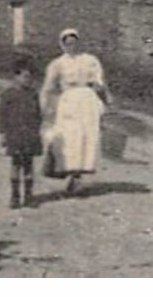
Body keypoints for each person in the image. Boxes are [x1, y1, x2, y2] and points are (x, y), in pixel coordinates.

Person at [40, 28, 107, 197]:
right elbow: (48, 87)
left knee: (86, 138)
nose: (71, 46)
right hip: (68, 102)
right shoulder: (57, 64)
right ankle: (70, 174)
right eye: (67, 43)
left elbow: (100, 81)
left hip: (88, 102)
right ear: (62, 44)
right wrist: (45, 107)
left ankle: (78, 178)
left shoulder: (90, 60)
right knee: (70, 139)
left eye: (74, 43)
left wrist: (100, 89)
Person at [0, 57, 43, 210]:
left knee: (29, 166)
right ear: (15, 77)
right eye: (24, 77)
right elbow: (1, 115)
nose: (28, 80)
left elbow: (38, 114)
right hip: (15, 135)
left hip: (30, 135)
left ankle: (28, 196)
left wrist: (36, 131)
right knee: (16, 165)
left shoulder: (33, 94)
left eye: (30, 77)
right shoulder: (8, 94)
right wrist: (3, 134)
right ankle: (15, 196)